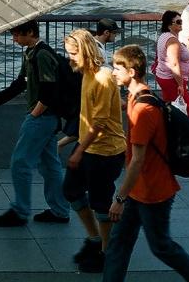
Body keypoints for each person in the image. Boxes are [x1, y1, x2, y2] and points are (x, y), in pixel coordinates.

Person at [103, 44, 189, 282]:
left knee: (161, 246)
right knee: (119, 242)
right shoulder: (141, 97)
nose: (113, 72)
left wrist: (119, 198)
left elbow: (137, 160)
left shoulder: (143, 110)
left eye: (117, 68)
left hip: (153, 191)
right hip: (141, 189)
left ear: (132, 72)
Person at [0, 19, 70, 227]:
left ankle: (20, 211)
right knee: (50, 164)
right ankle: (60, 211)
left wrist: (35, 114)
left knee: (20, 162)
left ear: (30, 32)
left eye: (17, 35)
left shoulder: (42, 54)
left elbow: (49, 90)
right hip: (48, 118)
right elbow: (20, 83)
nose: (14, 39)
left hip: (42, 118)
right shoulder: (31, 52)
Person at [63, 29, 126, 274]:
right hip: (90, 147)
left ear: (86, 51)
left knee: (101, 204)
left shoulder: (102, 77)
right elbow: (93, 115)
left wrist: (78, 151)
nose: (70, 59)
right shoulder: (88, 75)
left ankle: (107, 253)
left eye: (73, 54)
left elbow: (99, 123)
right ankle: (94, 239)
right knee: (71, 190)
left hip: (105, 152)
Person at [154, 10, 189, 117]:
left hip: (165, 77)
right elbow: (174, 64)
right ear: (169, 24)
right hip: (172, 80)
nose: (181, 24)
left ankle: (170, 131)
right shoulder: (172, 40)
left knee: (171, 108)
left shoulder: (164, 36)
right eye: (178, 22)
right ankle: (183, 131)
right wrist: (180, 84)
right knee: (188, 110)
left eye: (181, 21)